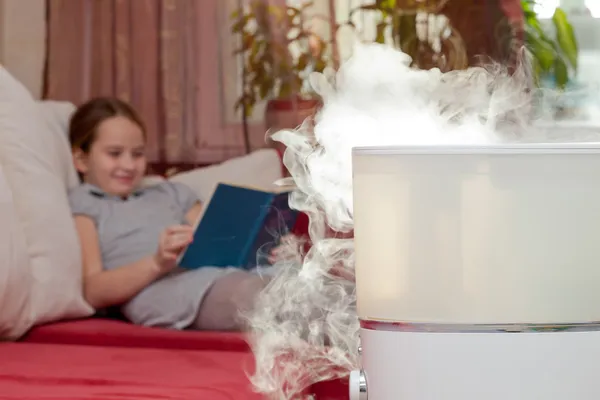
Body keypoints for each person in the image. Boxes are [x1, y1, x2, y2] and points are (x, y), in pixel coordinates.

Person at [67, 97, 291, 331]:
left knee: (300, 279)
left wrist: (262, 246)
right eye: (114, 153)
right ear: (81, 160)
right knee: (259, 296)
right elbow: (92, 291)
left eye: (137, 153)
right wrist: (156, 263)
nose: (129, 164)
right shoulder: (85, 204)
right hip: (165, 292)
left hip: (222, 274)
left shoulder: (169, 192)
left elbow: (214, 238)